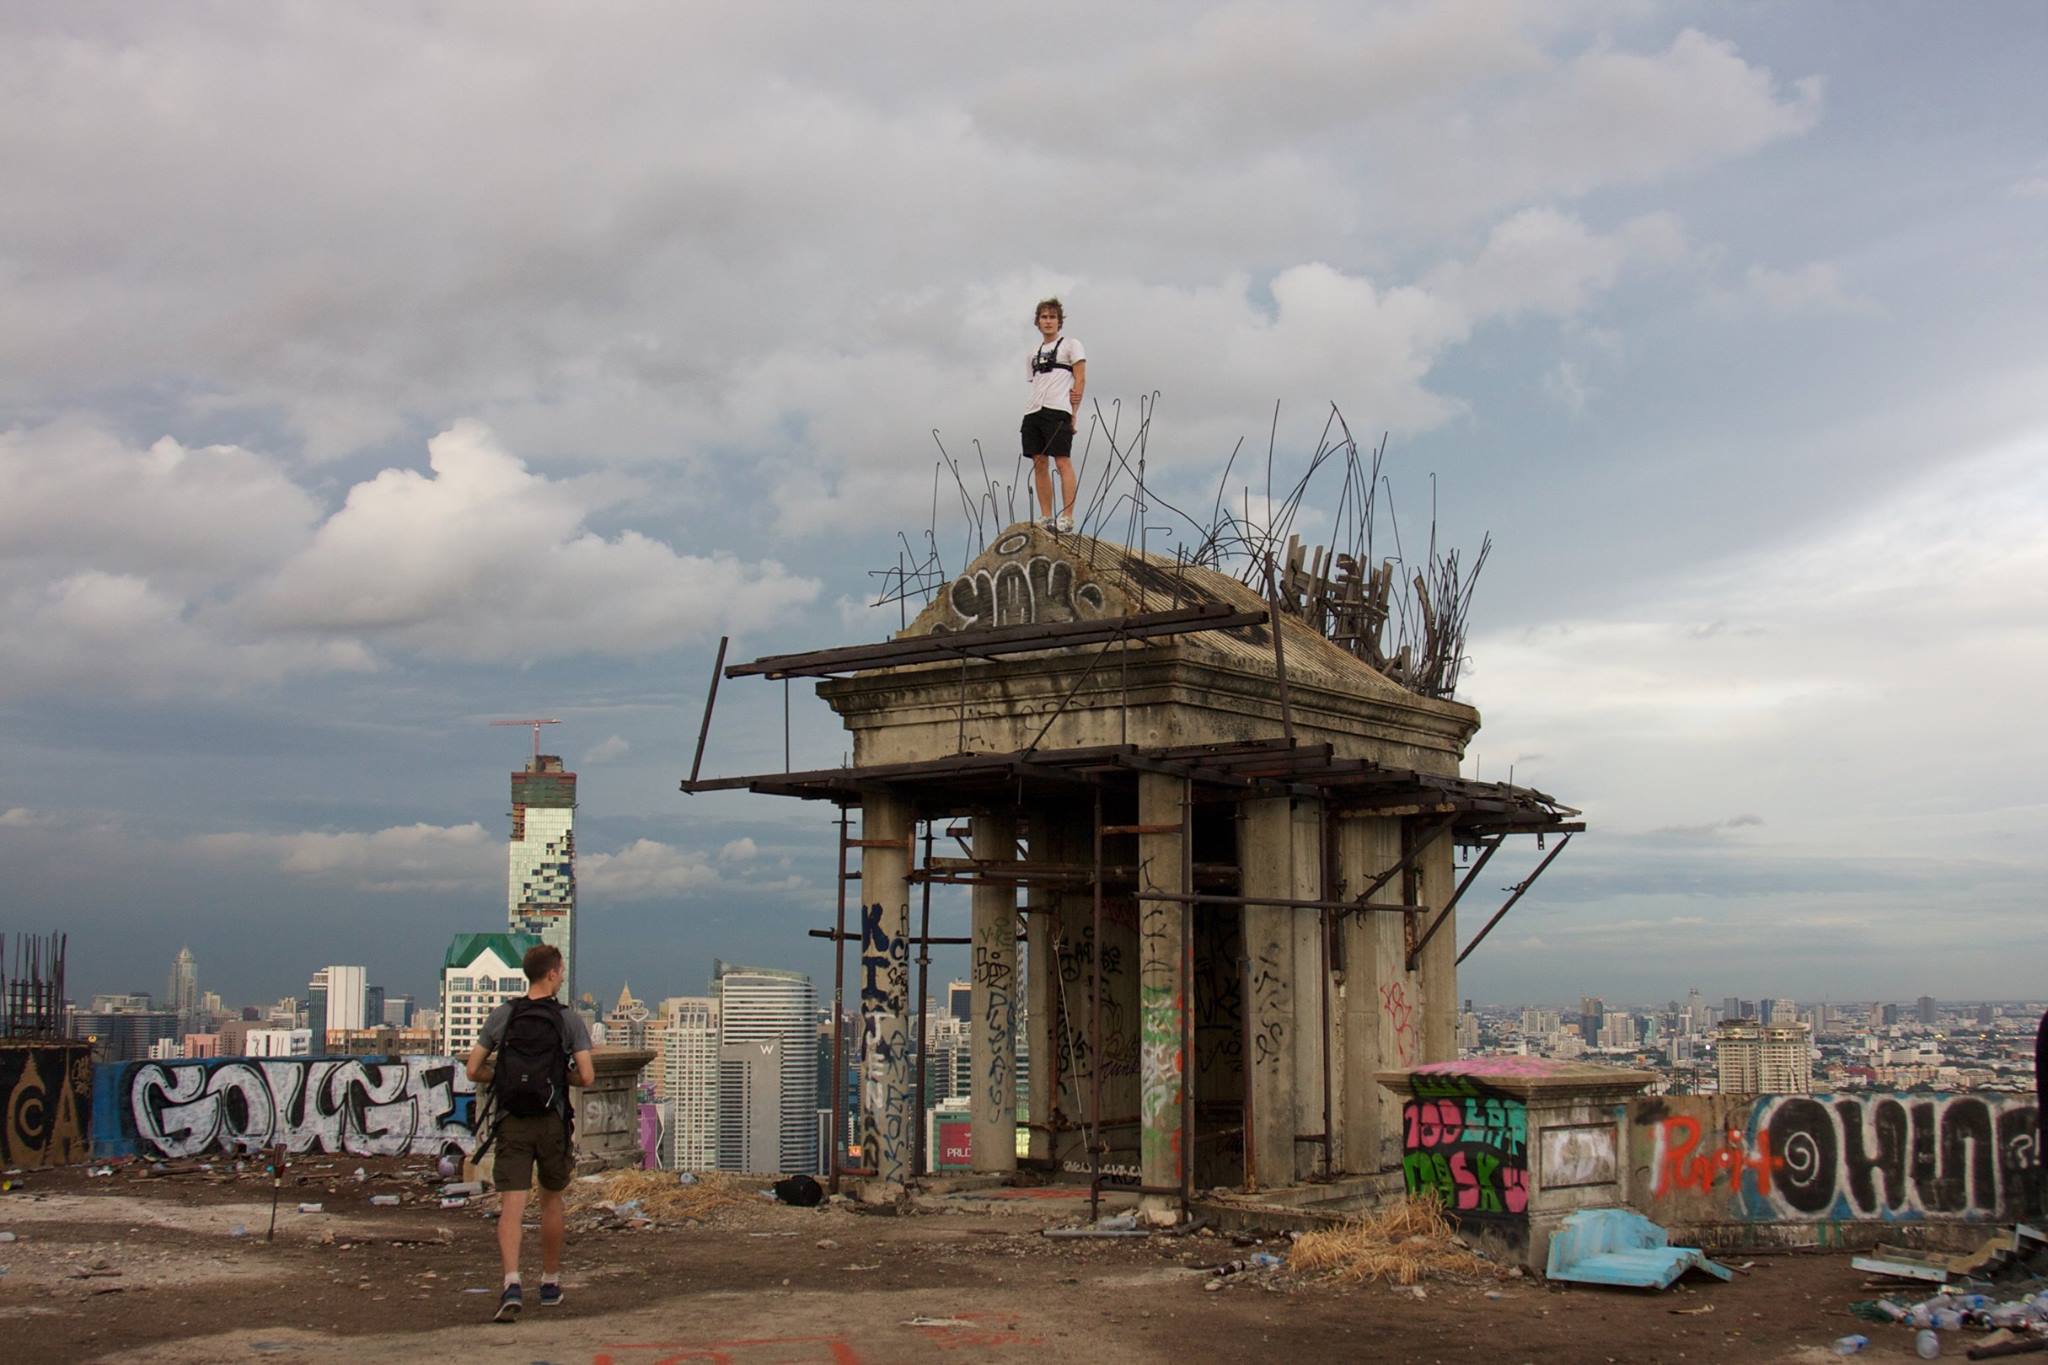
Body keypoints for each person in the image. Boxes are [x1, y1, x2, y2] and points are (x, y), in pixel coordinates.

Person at [465, 943, 594, 1323]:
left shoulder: (504, 1014)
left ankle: (511, 1282)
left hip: (512, 1120)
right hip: (551, 1119)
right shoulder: (568, 1020)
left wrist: (505, 1077)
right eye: (562, 970)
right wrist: (555, 1078)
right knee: (551, 1200)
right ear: (552, 974)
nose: (563, 974)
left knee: (512, 1206)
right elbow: (587, 1076)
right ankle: (550, 1282)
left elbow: (473, 1069)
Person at [1023, 297, 1086, 533]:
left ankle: (1067, 516)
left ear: (1059, 321)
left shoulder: (1071, 345)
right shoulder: (1032, 353)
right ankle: (1046, 515)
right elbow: (1035, 380)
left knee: (1062, 461)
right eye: (1044, 317)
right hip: (1033, 410)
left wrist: (1074, 414)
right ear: (1037, 322)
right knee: (1039, 462)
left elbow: (1080, 378)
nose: (1048, 321)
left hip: (1058, 408)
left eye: (1052, 317)